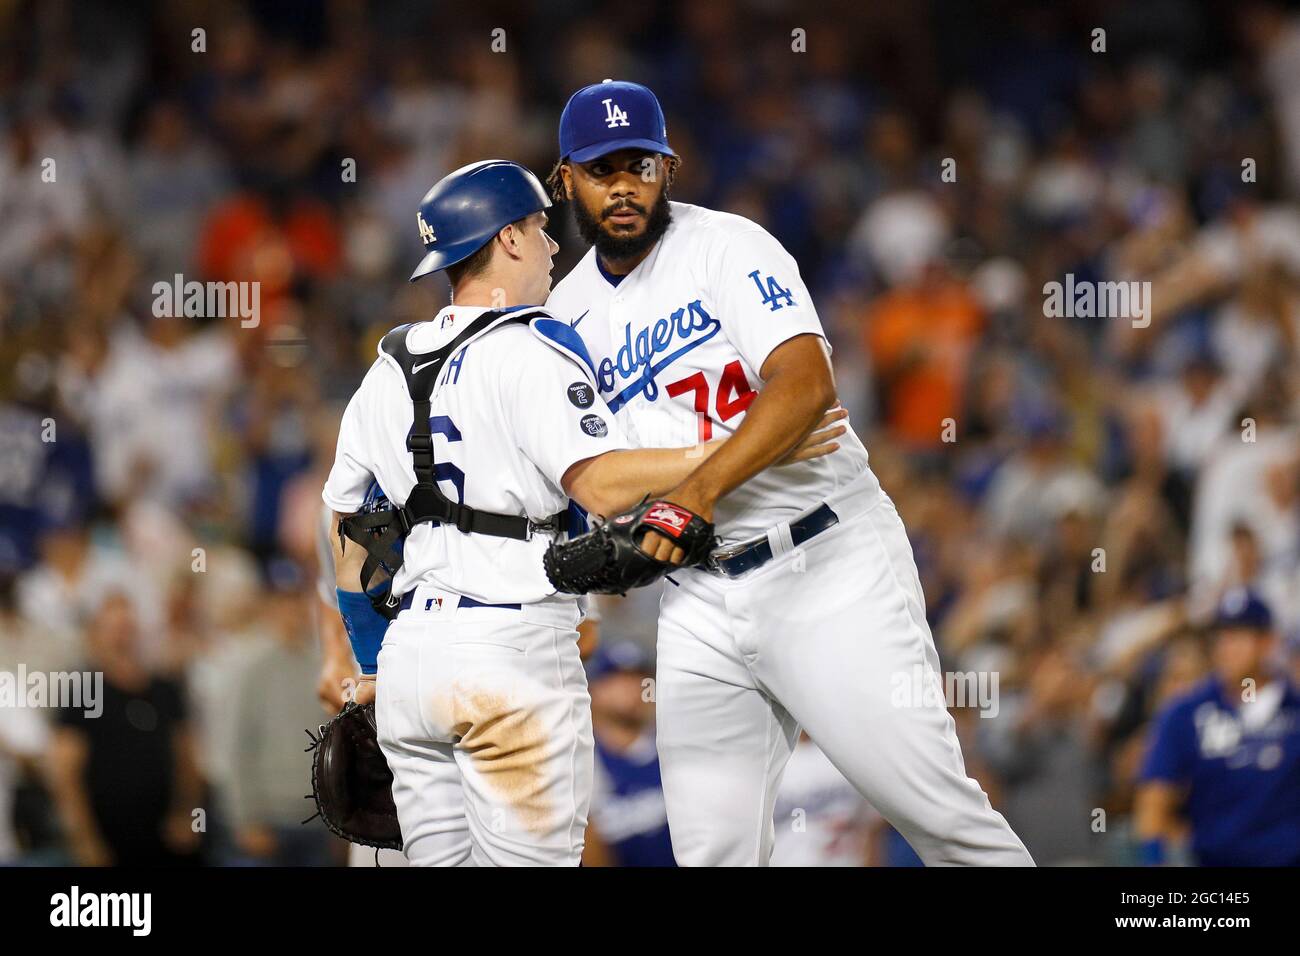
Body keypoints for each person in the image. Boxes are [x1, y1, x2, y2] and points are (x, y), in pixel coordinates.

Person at [545, 80, 1033, 866]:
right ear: (566, 181)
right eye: (603, 170)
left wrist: (689, 495)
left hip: (824, 562)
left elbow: (806, 385)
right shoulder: (562, 316)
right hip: (698, 595)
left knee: (940, 816)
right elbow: (590, 470)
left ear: (668, 167)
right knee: (711, 854)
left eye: (640, 164)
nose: (625, 186)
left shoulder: (727, 247)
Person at [322, 160, 839, 867]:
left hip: (413, 663)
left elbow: (348, 532)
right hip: (509, 654)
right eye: (538, 229)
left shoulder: (386, 368)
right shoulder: (531, 346)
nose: (555, 246)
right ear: (506, 240)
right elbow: (602, 487)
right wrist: (746, 445)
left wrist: (372, 660)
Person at [1136, 589, 1300, 866]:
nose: (1227, 647)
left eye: (1239, 635)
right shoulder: (1185, 713)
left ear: (1267, 642)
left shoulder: (1294, 710)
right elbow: (1154, 803)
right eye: (1221, 636)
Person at [582, 640, 675, 867]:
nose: (631, 687)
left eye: (637, 678)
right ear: (592, 688)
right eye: (615, 678)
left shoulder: (675, 740)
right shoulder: (584, 762)